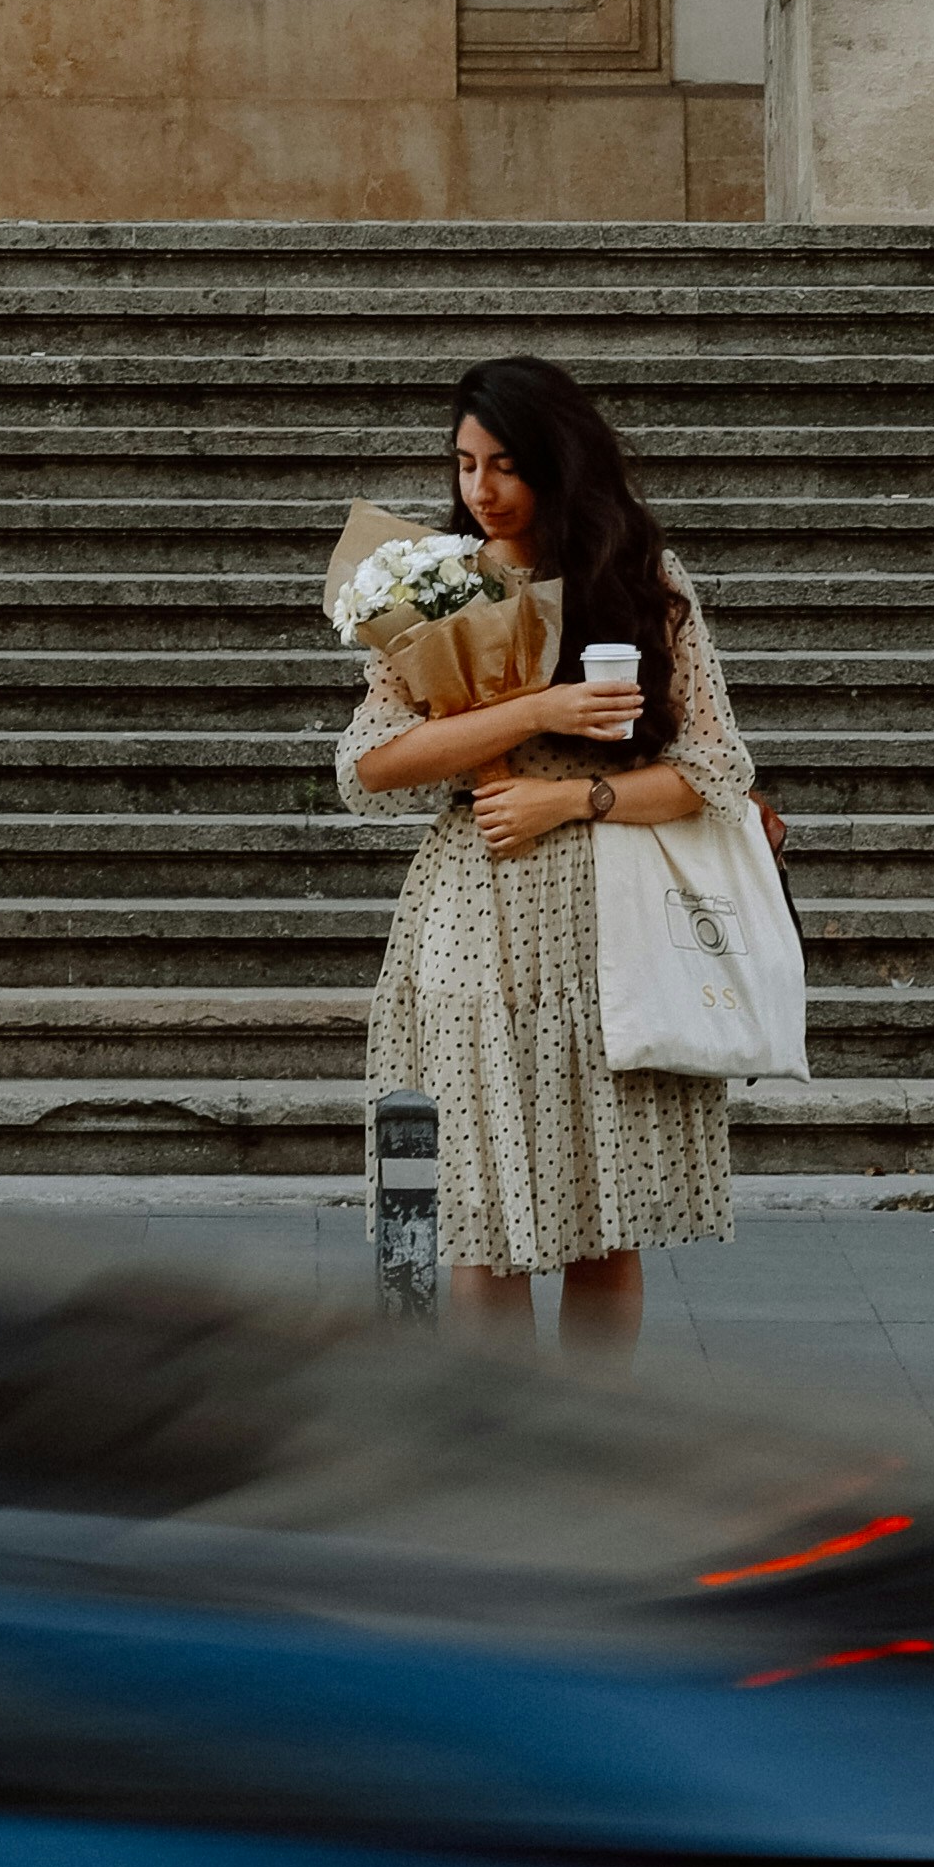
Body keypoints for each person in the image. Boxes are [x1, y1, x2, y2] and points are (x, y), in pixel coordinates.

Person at [340, 351, 758, 1351]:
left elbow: (716, 769)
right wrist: (539, 707)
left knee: (602, 1229)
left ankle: (591, 1457)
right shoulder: (429, 588)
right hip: (471, 931)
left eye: (507, 467)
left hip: (604, 929)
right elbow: (368, 767)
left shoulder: (640, 583)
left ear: (558, 467)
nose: (481, 491)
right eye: (465, 465)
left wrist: (566, 798)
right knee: (478, 1222)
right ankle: (500, 1457)